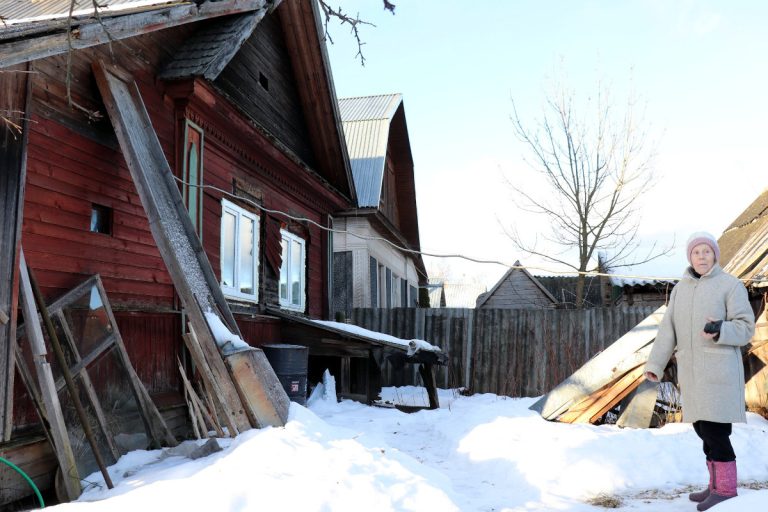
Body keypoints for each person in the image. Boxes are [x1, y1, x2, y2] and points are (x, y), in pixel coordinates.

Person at [644, 231, 754, 511]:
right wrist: (655, 365)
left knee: (717, 434)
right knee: (703, 432)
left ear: (715, 255)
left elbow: (745, 327)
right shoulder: (681, 288)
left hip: (719, 375)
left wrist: (721, 329)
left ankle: (726, 490)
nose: (702, 256)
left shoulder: (730, 285)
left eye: (707, 251)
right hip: (692, 376)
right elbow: (667, 330)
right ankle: (716, 486)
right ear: (689, 257)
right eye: (696, 252)